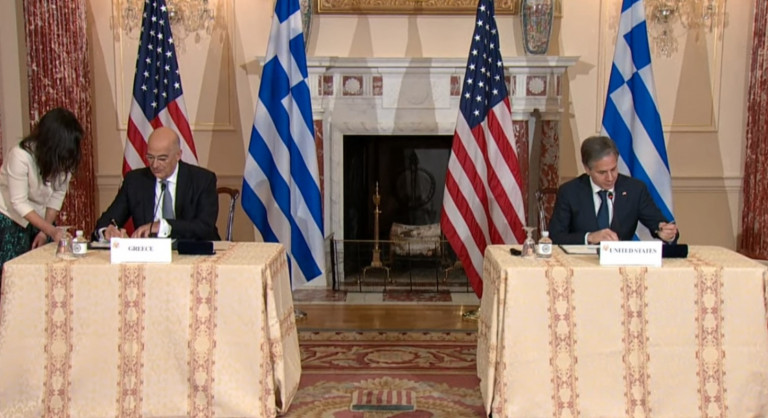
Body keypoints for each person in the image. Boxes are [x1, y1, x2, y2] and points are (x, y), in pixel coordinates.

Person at [94, 126, 220, 241]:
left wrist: (162, 226)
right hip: (150, 255)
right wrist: (106, 231)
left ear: (178, 155)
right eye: (150, 157)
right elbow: (108, 220)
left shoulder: (202, 180)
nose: (154, 165)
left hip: (192, 251)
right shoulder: (135, 181)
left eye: (162, 159)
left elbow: (204, 226)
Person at [548, 135, 678, 245]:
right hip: (582, 262)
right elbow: (555, 236)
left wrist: (666, 233)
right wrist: (589, 237)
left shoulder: (635, 189)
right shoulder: (570, 192)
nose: (610, 178)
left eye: (613, 169)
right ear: (587, 169)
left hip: (621, 263)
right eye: (602, 172)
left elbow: (660, 224)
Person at [0, 107, 83, 273]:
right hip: (11, 218)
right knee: (15, 272)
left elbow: (56, 197)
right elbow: (19, 202)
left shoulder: (65, 158)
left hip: (42, 220)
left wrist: (44, 233)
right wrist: (51, 230)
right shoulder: (20, 156)